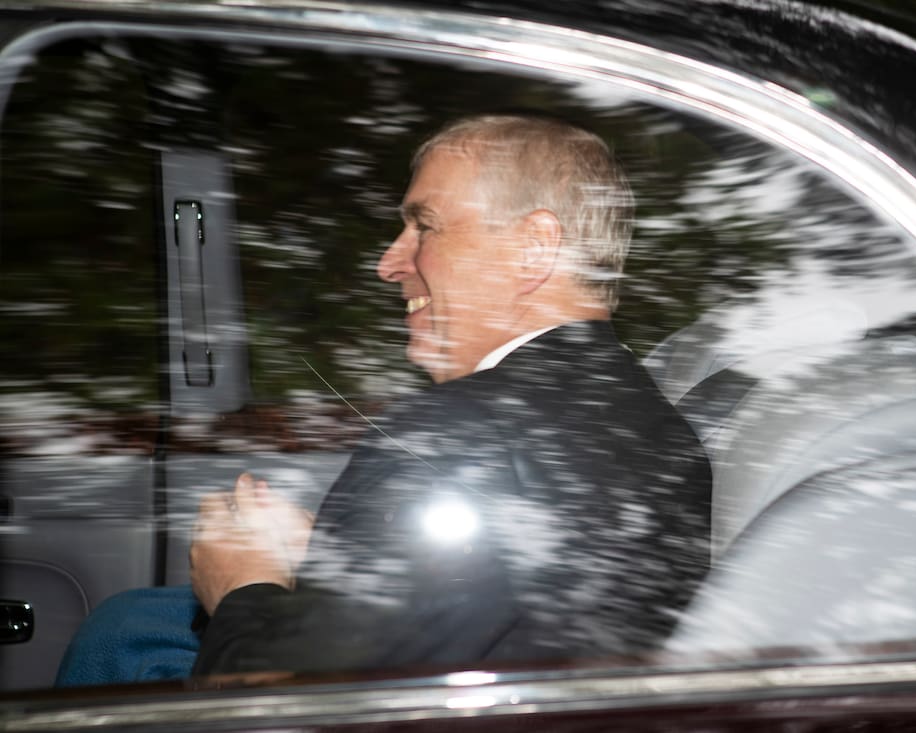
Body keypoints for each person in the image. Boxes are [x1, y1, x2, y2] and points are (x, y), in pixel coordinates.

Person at [179, 114, 712, 675]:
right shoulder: (659, 428)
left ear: (533, 248)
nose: (389, 264)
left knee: (122, 636)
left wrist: (239, 584)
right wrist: (332, 557)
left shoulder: (455, 431)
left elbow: (288, 699)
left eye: (424, 227)